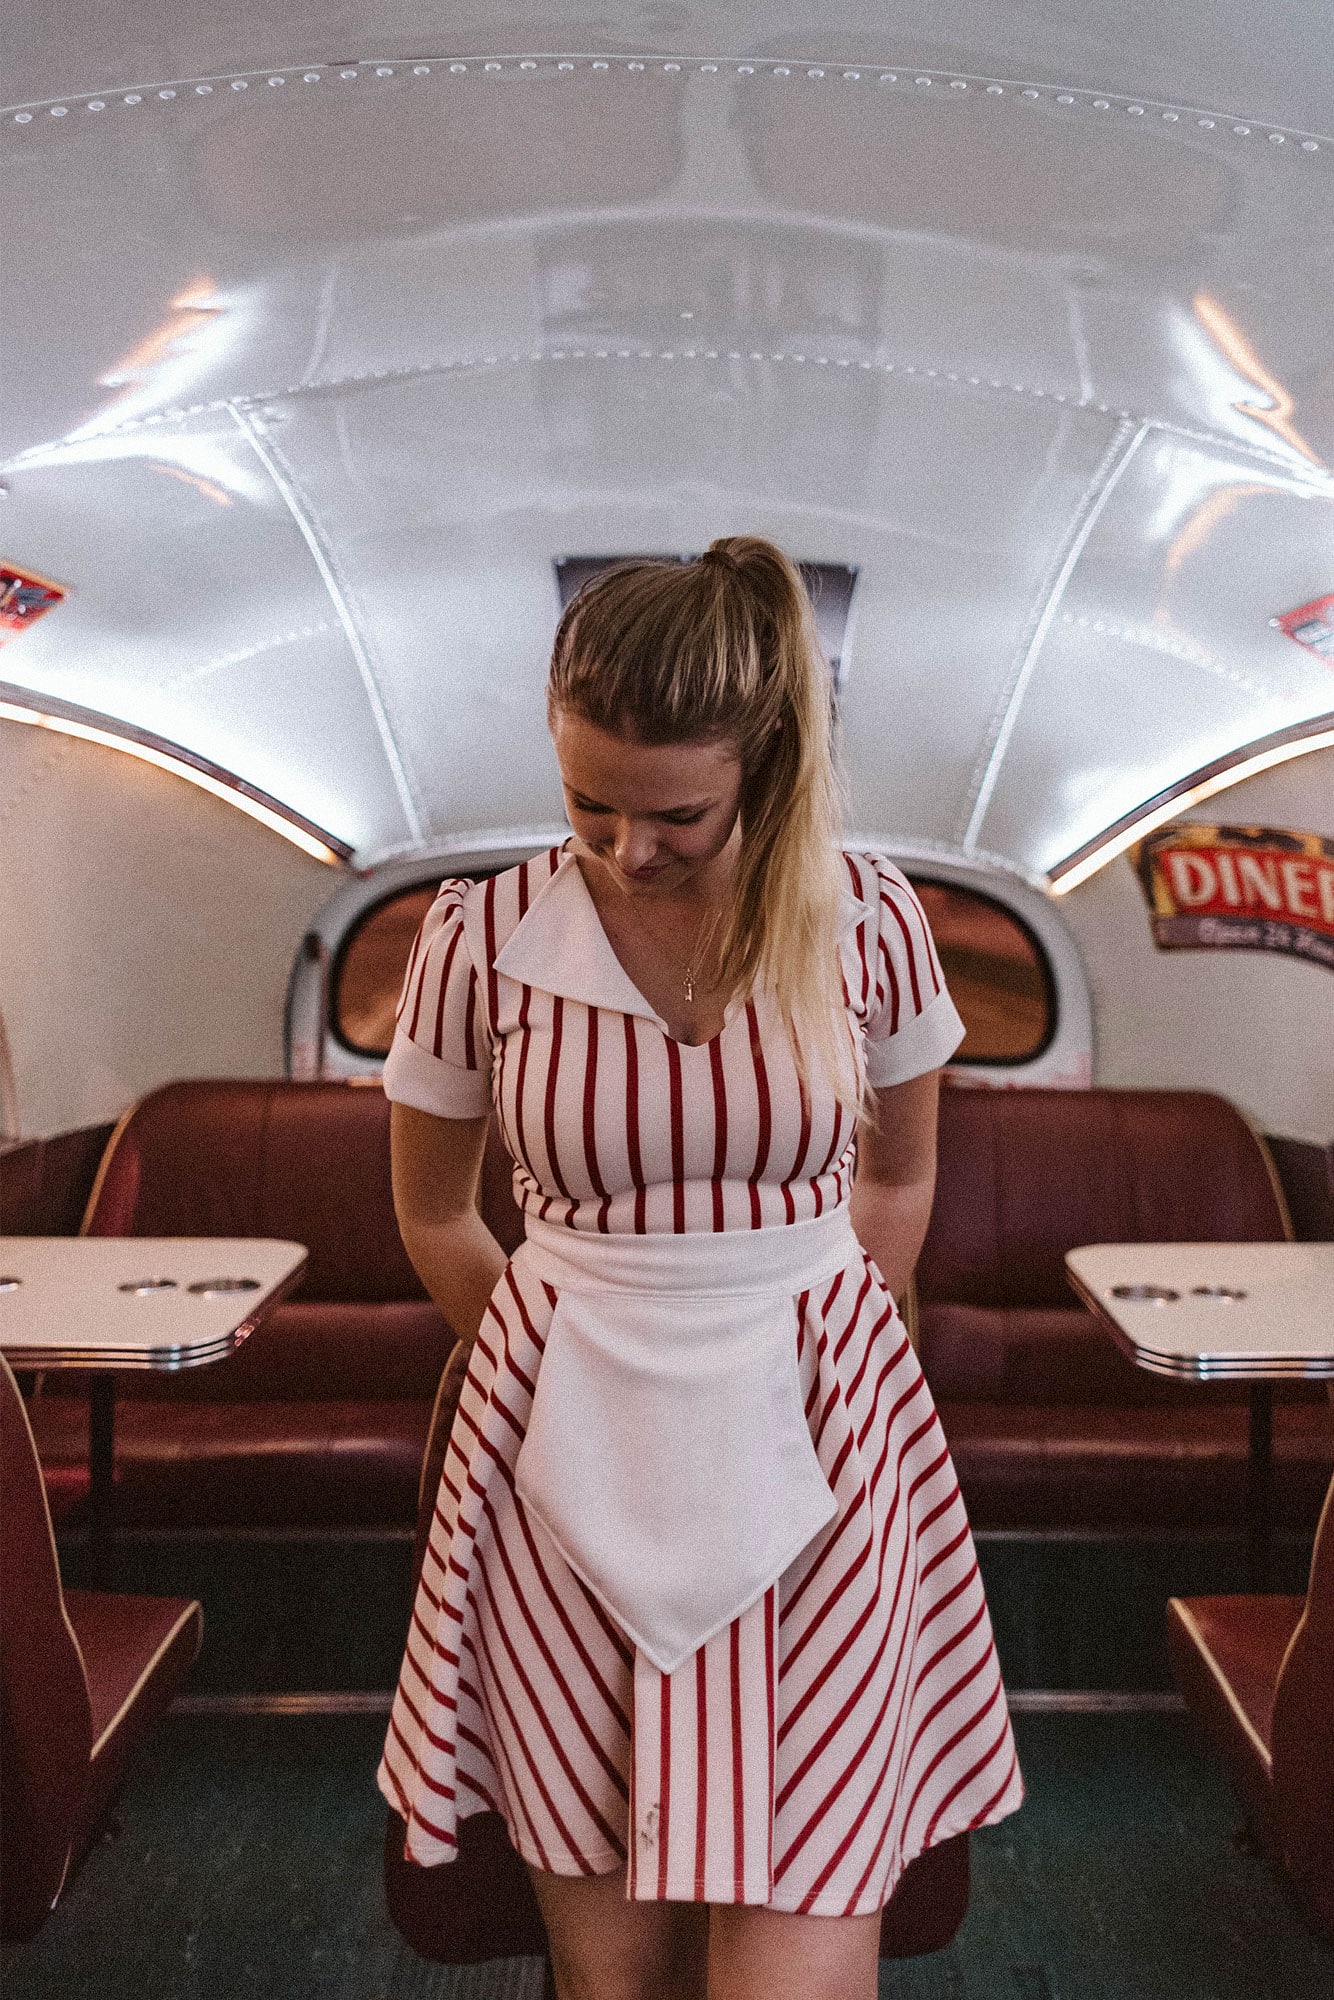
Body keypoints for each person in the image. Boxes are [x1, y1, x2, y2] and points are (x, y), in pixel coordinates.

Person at [377, 537, 1022, 2000]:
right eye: (586, 804)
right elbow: (435, 1213)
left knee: (796, 1938)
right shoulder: (474, 937)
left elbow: (898, 1177)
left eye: (676, 812)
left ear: (767, 763)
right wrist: (553, 1367)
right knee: (614, 1968)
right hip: (560, 1453)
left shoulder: (869, 921)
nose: (625, 848)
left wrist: (830, 1369)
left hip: (820, 1434)